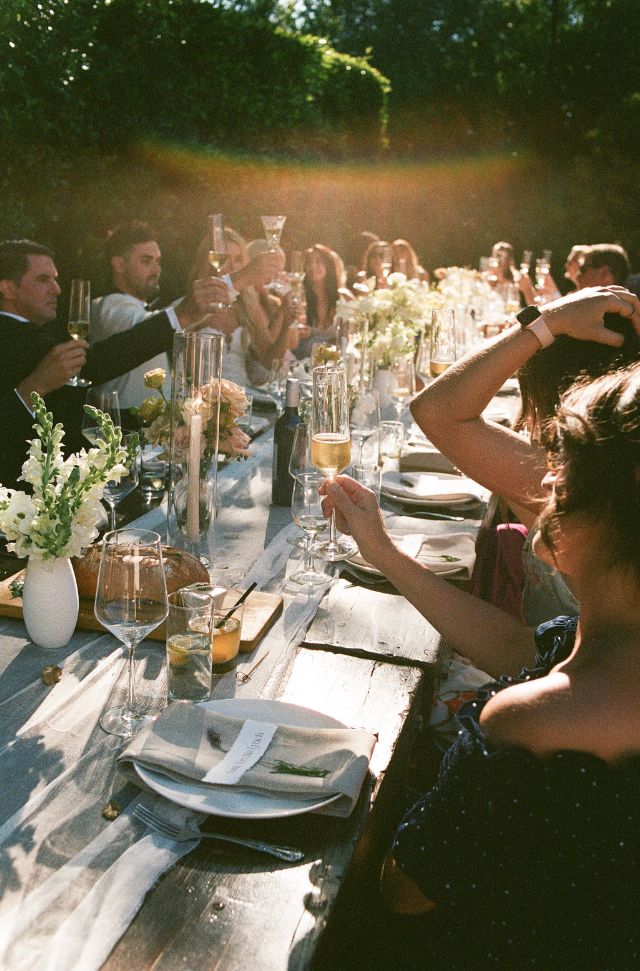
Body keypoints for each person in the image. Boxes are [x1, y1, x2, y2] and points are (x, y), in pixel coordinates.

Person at [322, 359, 640, 966]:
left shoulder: (530, 724)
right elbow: (523, 650)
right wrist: (385, 553)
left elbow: (404, 891)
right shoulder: (610, 642)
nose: (544, 486)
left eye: (564, 471)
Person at [0, 238, 229, 488]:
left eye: (55, 279)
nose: (56, 289)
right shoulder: (13, 336)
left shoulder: (35, 333)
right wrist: (182, 314)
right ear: (8, 288)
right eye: (43, 280)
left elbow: (85, 382)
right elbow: (100, 361)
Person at [294, 244, 352, 359]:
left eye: (318, 261)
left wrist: (313, 332)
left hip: (331, 364)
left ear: (328, 266)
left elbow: (344, 340)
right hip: (301, 364)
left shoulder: (340, 298)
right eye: (308, 262)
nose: (312, 266)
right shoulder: (299, 296)